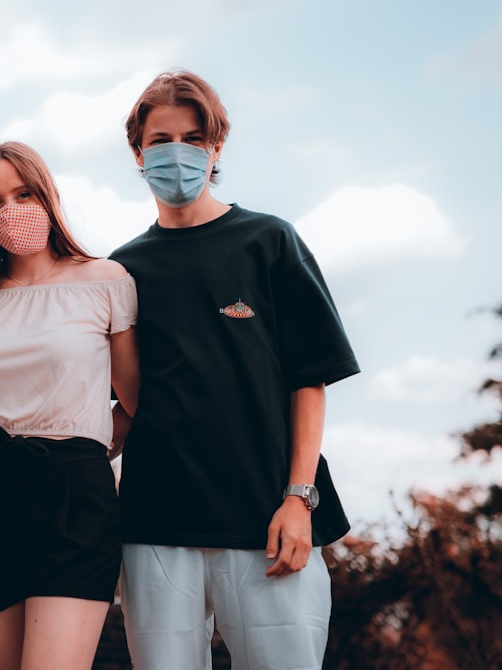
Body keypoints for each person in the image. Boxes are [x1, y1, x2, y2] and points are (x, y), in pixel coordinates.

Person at [109, 71, 360, 670]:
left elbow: (310, 378)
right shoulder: (120, 270)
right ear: (138, 152)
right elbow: (130, 400)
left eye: (194, 138)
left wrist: (299, 499)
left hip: (267, 518)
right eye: (161, 138)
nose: (177, 151)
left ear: (216, 147)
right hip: (155, 525)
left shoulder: (269, 242)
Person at [0, 141, 140, 670]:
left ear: (47, 196)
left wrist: (93, 441)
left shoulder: (105, 280)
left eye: (23, 193)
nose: (10, 210)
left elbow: (134, 399)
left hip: (73, 496)